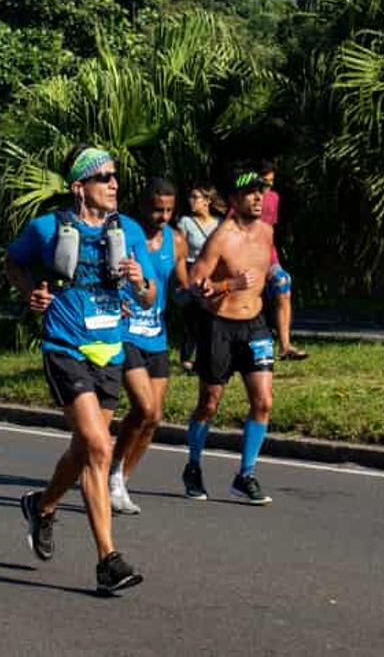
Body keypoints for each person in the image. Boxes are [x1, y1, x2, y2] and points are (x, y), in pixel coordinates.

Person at [6, 146, 147, 598]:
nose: (114, 184)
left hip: (110, 349)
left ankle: (42, 505)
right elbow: (13, 261)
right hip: (65, 346)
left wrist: (140, 281)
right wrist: (32, 294)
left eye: (115, 177)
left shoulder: (130, 231)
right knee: (98, 447)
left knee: (84, 450)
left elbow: (147, 297)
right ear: (78, 186)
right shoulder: (47, 228)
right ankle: (108, 559)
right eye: (103, 177)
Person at [183, 166, 278, 506]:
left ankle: (246, 475)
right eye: (250, 192)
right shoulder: (221, 237)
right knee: (209, 403)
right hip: (219, 324)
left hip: (254, 324)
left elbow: (267, 269)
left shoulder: (266, 232)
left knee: (263, 401)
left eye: (260, 192)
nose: (257, 197)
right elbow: (195, 283)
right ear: (235, 200)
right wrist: (227, 285)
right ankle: (193, 466)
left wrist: (279, 276)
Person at [109, 178, 187, 515]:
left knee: (154, 417)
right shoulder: (122, 233)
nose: (163, 216)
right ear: (143, 206)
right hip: (126, 332)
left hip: (156, 334)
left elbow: (182, 284)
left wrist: (201, 291)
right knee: (143, 407)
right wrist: (113, 301)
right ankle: (110, 475)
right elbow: (100, 271)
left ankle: (120, 480)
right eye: (157, 209)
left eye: (169, 210)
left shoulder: (177, 241)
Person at [258, 163, 308, 362]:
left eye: (271, 182)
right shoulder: (243, 198)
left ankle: (285, 345)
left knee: (283, 282)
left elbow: (270, 228)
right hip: (246, 255)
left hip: (268, 254)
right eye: (265, 181)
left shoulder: (273, 198)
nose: (268, 186)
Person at [173, 184, 220, 371]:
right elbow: (180, 253)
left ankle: (207, 357)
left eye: (196, 197)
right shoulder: (185, 222)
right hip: (192, 269)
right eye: (191, 197)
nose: (192, 201)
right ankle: (186, 358)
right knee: (192, 316)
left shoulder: (219, 222)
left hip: (213, 272)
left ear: (207, 201)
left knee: (210, 317)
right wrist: (181, 279)